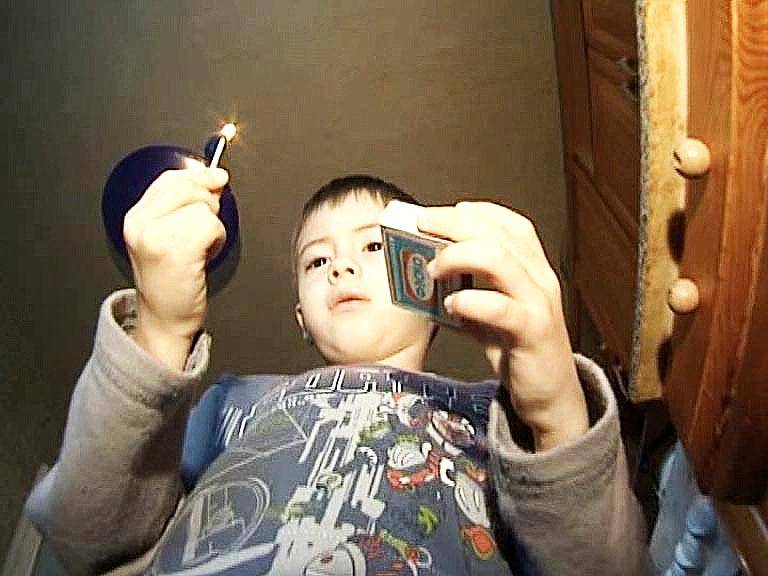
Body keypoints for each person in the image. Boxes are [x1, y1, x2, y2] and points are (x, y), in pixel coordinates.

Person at [25, 171, 647, 575]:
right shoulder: (233, 404)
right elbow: (85, 538)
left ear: (430, 276)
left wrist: (555, 414)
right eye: (317, 260)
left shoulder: (499, 425)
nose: (341, 268)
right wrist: (160, 331)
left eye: (373, 246)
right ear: (301, 316)